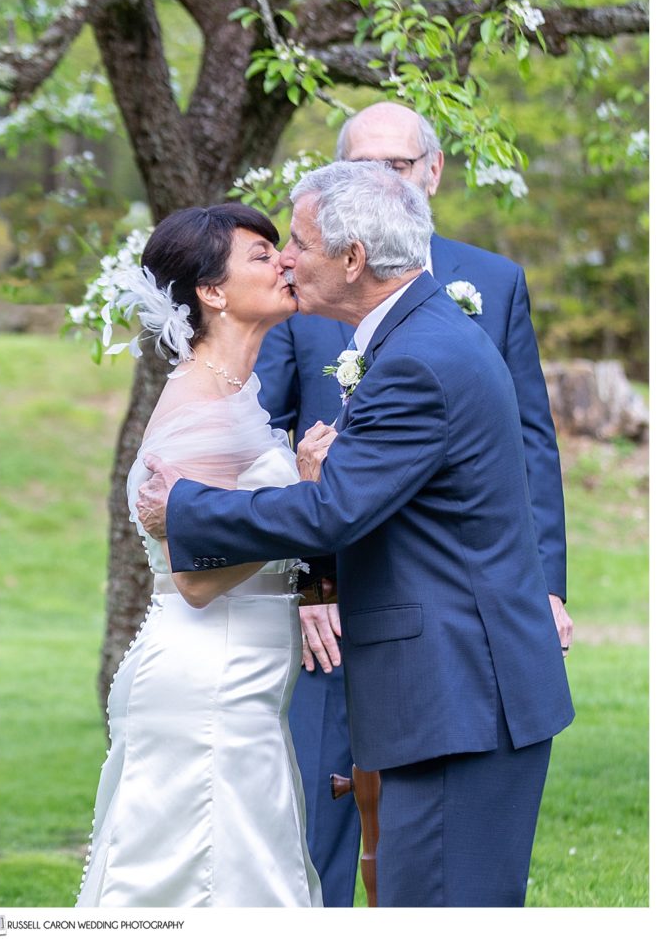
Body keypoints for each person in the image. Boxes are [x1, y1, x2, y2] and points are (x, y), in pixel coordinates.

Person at [138, 162, 575, 907]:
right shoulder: (424, 334)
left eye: (298, 243)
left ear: (351, 259)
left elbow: (330, 511)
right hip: (457, 691)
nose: (285, 259)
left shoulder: (416, 361)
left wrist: (185, 510)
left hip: (459, 699)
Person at [255, 100, 573, 905]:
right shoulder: (301, 301)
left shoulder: (479, 289)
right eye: (361, 165)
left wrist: (544, 585)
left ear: (429, 172)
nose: (380, 178)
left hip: (448, 637)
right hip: (336, 608)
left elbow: (522, 448)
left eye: (394, 165)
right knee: (324, 829)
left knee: (428, 877)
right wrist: (308, 587)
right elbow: (263, 435)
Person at [76, 204, 322, 907]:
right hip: (207, 679)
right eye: (259, 254)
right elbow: (195, 578)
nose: (282, 262)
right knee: (210, 884)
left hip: (241, 681)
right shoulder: (199, 409)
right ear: (211, 293)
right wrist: (302, 499)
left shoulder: (237, 396)